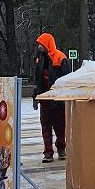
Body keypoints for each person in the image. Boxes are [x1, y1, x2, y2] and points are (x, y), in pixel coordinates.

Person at [32, 32, 69, 163]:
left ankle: (61, 149)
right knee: (45, 127)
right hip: (45, 101)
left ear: (47, 44)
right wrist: (35, 97)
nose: (39, 47)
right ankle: (48, 153)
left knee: (60, 127)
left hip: (57, 100)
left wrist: (64, 97)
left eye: (41, 44)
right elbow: (37, 80)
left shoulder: (60, 58)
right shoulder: (39, 59)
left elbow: (66, 80)